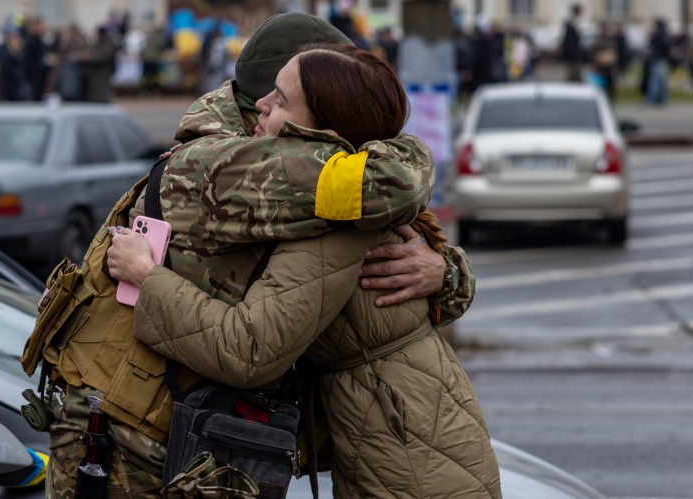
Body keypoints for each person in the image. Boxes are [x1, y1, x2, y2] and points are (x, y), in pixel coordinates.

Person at [39, 13, 461, 498]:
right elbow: (397, 184)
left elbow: (378, 294)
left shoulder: (293, 175)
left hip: (193, 429)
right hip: (126, 433)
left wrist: (443, 272)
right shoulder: (226, 168)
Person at [645, 17, 671, 105]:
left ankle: (654, 99)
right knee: (659, 80)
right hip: (660, 58)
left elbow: (653, 45)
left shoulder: (659, 33)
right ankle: (660, 99)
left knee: (656, 80)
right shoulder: (663, 34)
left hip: (659, 58)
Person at [559, 3, 584, 82]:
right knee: (573, 74)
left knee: (575, 73)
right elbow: (569, 41)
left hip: (574, 54)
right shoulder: (571, 24)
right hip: (573, 55)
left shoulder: (574, 23)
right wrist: (575, 53)